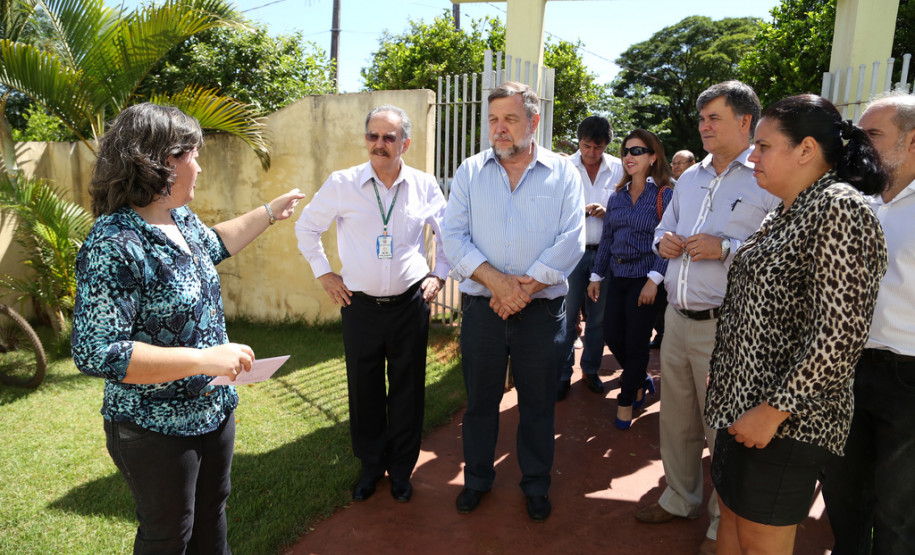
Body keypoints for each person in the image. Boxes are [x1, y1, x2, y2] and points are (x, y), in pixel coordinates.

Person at [71, 103, 303, 553]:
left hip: (213, 410)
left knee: (211, 519)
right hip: (153, 426)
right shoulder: (115, 242)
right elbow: (97, 351)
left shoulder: (178, 218)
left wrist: (269, 213)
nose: (199, 167)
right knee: (169, 536)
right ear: (161, 162)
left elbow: (214, 243)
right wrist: (203, 359)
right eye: (193, 156)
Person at [705, 94, 887, 554]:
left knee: (760, 542)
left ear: (806, 149)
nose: (753, 156)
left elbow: (840, 335)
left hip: (785, 423)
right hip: (742, 407)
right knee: (730, 525)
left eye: (764, 146)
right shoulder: (785, 209)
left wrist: (772, 412)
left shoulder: (840, 208)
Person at [636, 80, 780, 555]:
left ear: (745, 121)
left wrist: (727, 248)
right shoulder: (691, 176)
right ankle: (680, 498)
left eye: (714, 118)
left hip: (726, 325)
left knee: (724, 428)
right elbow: (663, 227)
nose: (703, 127)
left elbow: (778, 251)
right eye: (701, 119)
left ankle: (724, 521)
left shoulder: (765, 176)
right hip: (676, 317)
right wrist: (663, 241)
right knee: (676, 420)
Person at [442, 81, 584, 522]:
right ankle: (477, 479)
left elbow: (572, 240)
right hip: (483, 312)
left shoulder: (563, 173)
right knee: (480, 403)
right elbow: (453, 237)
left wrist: (521, 291)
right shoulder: (470, 171)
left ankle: (536, 484)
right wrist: (498, 284)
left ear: (534, 121)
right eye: (493, 119)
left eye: (510, 119)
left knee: (537, 406)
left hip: (540, 313)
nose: (499, 128)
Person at [294, 105, 449, 504]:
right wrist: (324, 274)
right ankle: (370, 466)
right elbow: (306, 227)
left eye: (389, 137)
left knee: (407, 389)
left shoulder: (424, 185)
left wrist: (439, 274)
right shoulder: (342, 183)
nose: (379, 144)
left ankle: (401, 470)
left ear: (405, 143)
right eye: (373, 136)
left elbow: (449, 233)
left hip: (409, 304)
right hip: (360, 306)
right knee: (364, 390)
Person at [821, 92, 915, 554]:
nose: (859, 144)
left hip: (907, 377)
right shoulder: (853, 199)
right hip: (844, 369)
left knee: (898, 513)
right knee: (842, 496)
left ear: (912, 141)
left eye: (872, 134)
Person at [588, 129, 672, 430]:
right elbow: (608, 239)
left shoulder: (665, 194)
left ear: (653, 157)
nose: (628, 156)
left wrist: (654, 280)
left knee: (637, 341)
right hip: (618, 275)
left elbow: (672, 239)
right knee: (612, 334)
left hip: (646, 277)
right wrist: (596, 275)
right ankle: (639, 378)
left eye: (637, 151)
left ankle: (626, 400)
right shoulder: (617, 197)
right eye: (625, 151)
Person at [557, 116, 624, 401]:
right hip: (572, 253)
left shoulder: (620, 169)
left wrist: (609, 214)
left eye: (598, 147)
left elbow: (630, 208)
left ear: (607, 144)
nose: (592, 153)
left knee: (598, 319)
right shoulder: (563, 168)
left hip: (605, 254)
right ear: (579, 142)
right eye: (586, 146)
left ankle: (591, 370)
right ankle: (562, 374)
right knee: (567, 316)